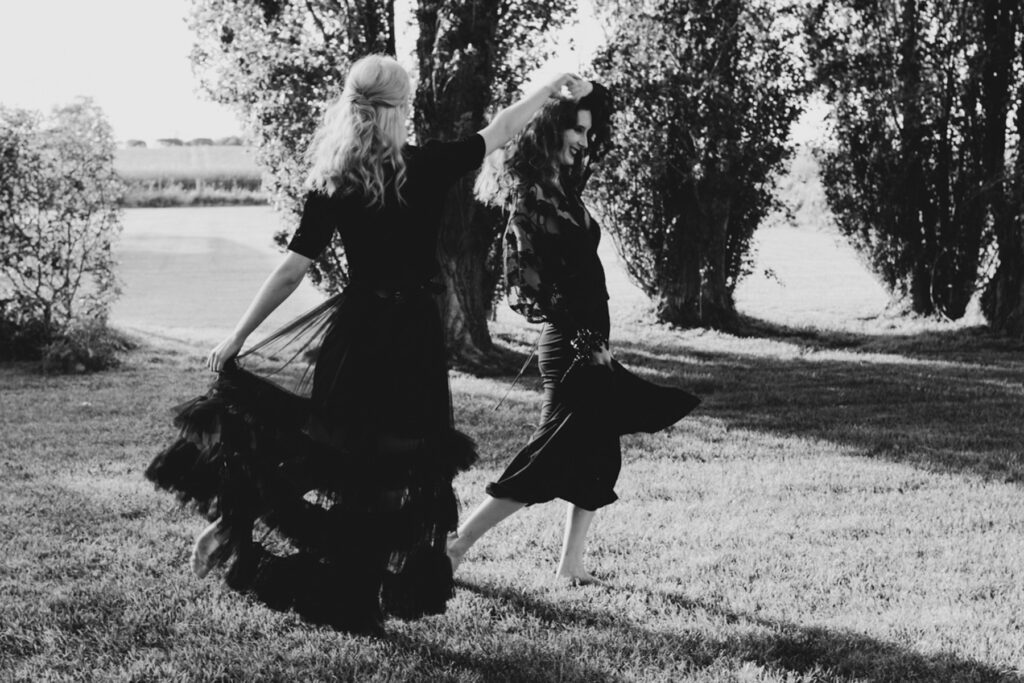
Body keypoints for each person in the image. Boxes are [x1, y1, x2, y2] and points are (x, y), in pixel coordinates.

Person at [145, 54, 590, 635]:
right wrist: (552, 87)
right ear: (402, 109)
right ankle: (349, 593)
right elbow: (504, 126)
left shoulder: (336, 178)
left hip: (357, 335)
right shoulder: (425, 166)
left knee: (336, 452)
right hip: (411, 340)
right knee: (390, 469)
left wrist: (239, 334)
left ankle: (256, 533)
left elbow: (290, 270)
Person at [448, 82, 701, 584]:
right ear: (548, 129)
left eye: (589, 130)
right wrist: (584, 342)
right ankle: (457, 545)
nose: (585, 140)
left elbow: (598, 133)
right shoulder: (531, 194)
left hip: (591, 340)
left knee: (599, 455)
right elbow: (527, 282)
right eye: (576, 128)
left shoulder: (564, 185)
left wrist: (590, 93)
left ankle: (571, 567)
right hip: (571, 345)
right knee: (550, 455)